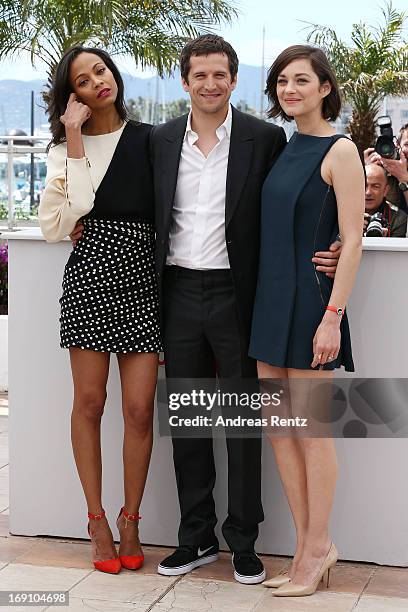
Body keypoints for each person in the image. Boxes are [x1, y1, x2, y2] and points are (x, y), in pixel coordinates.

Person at [149, 35, 342, 585]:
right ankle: (195, 538)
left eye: (220, 75)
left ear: (233, 80)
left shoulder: (266, 137)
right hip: (179, 292)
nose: (209, 84)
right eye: (199, 75)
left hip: (242, 295)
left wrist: (329, 245)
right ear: (184, 82)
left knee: (243, 423)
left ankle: (244, 542)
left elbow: (299, 200)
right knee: (189, 419)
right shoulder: (161, 141)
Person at [38, 46, 162, 574]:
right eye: (84, 80)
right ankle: (96, 520)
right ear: (73, 97)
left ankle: (131, 517)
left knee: (139, 409)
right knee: (89, 403)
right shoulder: (61, 150)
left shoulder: (152, 140)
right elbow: (59, 222)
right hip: (90, 279)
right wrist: (72, 137)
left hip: (142, 280)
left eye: (101, 70)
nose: (97, 81)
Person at [249, 45, 365, 597]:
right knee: (280, 432)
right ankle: (304, 549)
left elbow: (354, 239)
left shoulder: (341, 149)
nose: (289, 90)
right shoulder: (287, 146)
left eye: (301, 81)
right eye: (281, 82)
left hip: (313, 303)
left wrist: (332, 318)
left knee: (313, 432)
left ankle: (318, 548)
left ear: (324, 88)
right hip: (270, 302)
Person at [364, 123, 408, 214]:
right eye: (407, 144)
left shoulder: (403, 177)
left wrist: (404, 179)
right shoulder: (378, 166)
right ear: (397, 146)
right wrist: (369, 171)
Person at [364, 163, 407, 237]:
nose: (368, 193)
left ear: (385, 190)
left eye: (375, 186)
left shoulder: (398, 218)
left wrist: (384, 240)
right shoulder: (345, 213)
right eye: (364, 186)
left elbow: (396, 247)